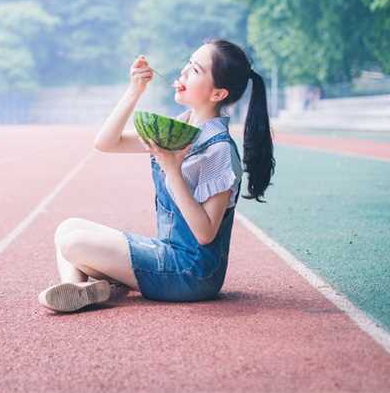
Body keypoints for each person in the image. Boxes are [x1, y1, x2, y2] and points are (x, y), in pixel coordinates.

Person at [38, 38, 276, 313]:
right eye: (188, 64)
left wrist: (172, 170)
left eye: (195, 70)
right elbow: (106, 143)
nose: (183, 72)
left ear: (217, 94)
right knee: (67, 227)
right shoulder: (178, 129)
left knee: (73, 244)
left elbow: (205, 234)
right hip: (168, 252)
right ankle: (78, 289)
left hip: (192, 274)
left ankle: (94, 281)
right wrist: (134, 90)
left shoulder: (219, 150)